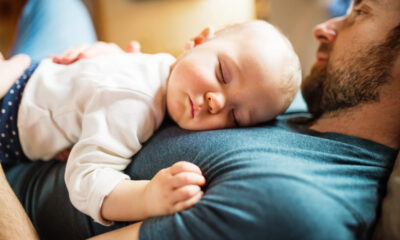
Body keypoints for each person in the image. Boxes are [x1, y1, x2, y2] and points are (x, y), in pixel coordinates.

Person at [3, 0, 399, 239]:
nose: (324, 27)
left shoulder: (295, 207)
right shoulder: (301, 98)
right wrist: (118, 69)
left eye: (360, 12)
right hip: (63, 89)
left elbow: (92, 185)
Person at [1, 13, 301, 227]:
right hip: (9, 107)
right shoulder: (135, 106)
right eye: (222, 73)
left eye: (235, 116)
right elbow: (85, 181)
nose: (216, 101)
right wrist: (147, 197)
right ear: (197, 40)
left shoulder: (167, 73)